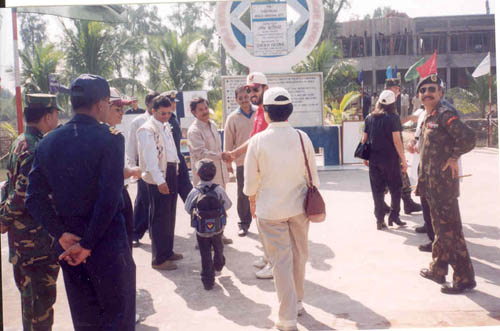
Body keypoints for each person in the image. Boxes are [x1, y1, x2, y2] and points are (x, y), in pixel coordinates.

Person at [26, 74, 136, 330]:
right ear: (100, 104)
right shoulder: (110, 138)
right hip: (107, 247)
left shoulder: (48, 142)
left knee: (86, 321)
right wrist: (88, 244)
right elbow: (109, 199)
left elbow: (34, 198)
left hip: (70, 250)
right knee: (117, 320)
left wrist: (61, 235)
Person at [244, 87, 319, 331]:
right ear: (290, 111)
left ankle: (287, 319)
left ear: (265, 111)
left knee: (281, 262)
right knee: (299, 256)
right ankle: (297, 302)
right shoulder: (301, 137)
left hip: (270, 211)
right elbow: (313, 177)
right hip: (299, 208)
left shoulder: (257, 141)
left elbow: (250, 184)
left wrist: (252, 199)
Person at [0, 94, 61, 331]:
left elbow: (8, 186)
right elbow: (22, 193)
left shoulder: (20, 141)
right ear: (47, 116)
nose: (57, 118)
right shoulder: (35, 148)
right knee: (39, 307)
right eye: (56, 114)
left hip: (22, 242)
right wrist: (4, 219)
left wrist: (3, 217)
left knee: (32, 304)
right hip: (35, 243)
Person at [415, 73, 477, 294]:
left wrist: (453, 156)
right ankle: (438, 269)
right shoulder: (429, 117)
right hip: (432, 185)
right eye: (423, 91)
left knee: (451, 231)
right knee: (441, 230)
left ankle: (464, 278)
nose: (427, 93)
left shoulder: (444, 114)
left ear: (440, 93)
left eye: (432, 89)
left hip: (444, 187)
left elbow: (469, 138)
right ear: (419, 96)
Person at [227, 72, 274, 279]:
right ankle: (267, 256)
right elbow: (254, 139)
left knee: (270, 219)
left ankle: (274, 262)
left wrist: (235, 153)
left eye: (255, 89)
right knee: (260, 217)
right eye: (248, 89)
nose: (251, 93)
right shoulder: (261, 111)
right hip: (256, 170)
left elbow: (257, 140)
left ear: (266, 88)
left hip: (267, 173)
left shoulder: (269, 111)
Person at [137, 94, 182, 270]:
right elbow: (150, 159)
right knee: (158, 217)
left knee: (169, 214)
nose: (166, 116)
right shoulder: (147, 130)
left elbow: (171, 151)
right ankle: (158, 259)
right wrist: (159, 181)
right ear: (153, 111)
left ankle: (167, 251)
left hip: (170, 171)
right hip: (158, 175)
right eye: (162, 113)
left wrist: (176, 170)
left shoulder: (165, 126)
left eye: (168, 113)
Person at [187, 97, 232, 245]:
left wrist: (224, 163)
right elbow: (200, 153)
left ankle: (219, 235)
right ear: (193, 112)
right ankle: (203, 241)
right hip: (205, 177)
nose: (205, 112)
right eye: (200, 110)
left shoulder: (212, 125)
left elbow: (218, 148)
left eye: (206, 108)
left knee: (219, 206)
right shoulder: (194, 130)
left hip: (219, 173)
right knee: (204, 208)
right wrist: (220, 156)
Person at [362, 90, 408, 230]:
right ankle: (394, 216)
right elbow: (397, 141)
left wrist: (365, 157)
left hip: (374, 160)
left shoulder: (369, 118)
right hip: (391, 160)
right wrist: (404, 160)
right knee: (395, 188)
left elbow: (364, 139)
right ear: (393, 104)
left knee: (377, 190)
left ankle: (379, 219)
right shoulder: (393, 117)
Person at [185, 159, 232, 290]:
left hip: (201, 231)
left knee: (205, 254)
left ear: (198, 175)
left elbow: (187, 208)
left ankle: (208, 281)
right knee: (218, 247)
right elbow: (228, 205)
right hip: (218, 228)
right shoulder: (218, 189)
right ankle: (219, 262)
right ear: (215, 174)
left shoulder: (194, 191)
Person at [107, 87, 142, 250]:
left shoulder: (112, 133)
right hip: (113, 197)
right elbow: (117, 173)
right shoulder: (111, 137)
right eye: (117, 108)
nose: (122, 112)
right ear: (104, 106)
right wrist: (136, 171)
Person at [384, 78, 422, 214]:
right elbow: (392, 125)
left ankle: (406, 203)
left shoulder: (386, 103)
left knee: (397, 176)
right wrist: (410, 118)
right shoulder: (386, 104)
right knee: (398, 174)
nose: (399, 92)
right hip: (390, 147)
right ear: (390, 88)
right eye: (397, 89)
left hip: (387, 148)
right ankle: (401, 204)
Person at [224, 86, 256, 236]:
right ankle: (244, 224)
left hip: (261, 160)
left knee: (264, 191)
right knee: (243, 194)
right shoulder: (232, 118)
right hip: (242, 163)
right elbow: (228, 144)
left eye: (246, 97)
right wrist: (229, 165)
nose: (244, 101)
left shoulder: (260, 113)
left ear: (250, 96)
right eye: (240, 98)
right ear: (236, 100)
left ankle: (266, 223)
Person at [127, 91, 159, 247]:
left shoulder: (164, 120)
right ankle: (136, 233)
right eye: (154, 103)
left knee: (158, 202)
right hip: (144, 167)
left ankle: (155, 232)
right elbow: (131, 146)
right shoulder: (138, 121)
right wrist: (133, 168)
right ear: (147, 104)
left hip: (161, 167)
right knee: (142, 201)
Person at [161, 90, 193, 202]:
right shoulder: (163, 120)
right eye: (171, 102)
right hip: (170, 162)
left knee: (189, 192)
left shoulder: (173, 117)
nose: (173, 104)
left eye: (174, 102)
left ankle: (197, 216)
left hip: (178, 158)